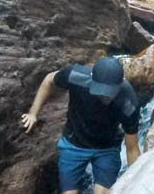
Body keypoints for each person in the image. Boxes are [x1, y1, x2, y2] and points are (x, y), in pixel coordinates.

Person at [21, 56, 141, 194]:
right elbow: (49, 80)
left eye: (109, 93)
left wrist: (135, 182)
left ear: (120, 84)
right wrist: (32, 113)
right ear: (92, 79)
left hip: (107, 148)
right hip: (74, 143)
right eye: (100, 91)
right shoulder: (76, 76)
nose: (104, 97)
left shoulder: (128, 103)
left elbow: (132, 148)